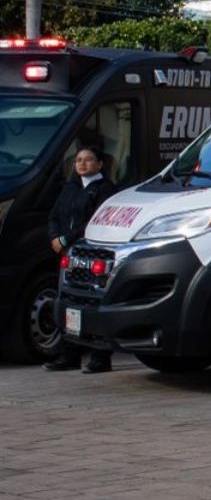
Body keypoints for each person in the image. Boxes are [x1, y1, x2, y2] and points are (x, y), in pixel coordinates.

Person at [43, 145, 117, 373]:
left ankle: (100, 356)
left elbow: (97, 220)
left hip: (92, 254)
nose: (82, 164)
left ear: (100, 164)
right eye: (78, 160)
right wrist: (55, 237)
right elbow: (54, 215)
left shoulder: (105, 190)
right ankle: (70, 354)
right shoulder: (70, 187)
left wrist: (67, 239)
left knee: (95, 301)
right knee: (70, 301)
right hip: (69, 256)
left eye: (88, 159)